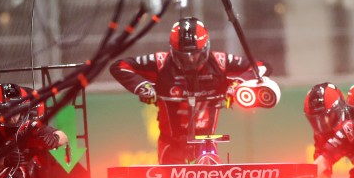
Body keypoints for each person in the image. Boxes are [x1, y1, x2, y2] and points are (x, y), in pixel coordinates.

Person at [109, 17, 261, 164]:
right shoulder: (161, 62)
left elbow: (260, 66)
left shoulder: (220, 62)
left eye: (196, 54)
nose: (190, 60)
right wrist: (144, 87)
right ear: (173, 50)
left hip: (207, 142)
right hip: (171, 144)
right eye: (183, 56)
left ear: (206, 47)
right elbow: (119, 66)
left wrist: (237, 86)